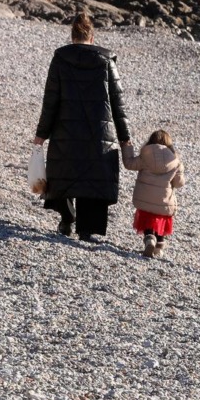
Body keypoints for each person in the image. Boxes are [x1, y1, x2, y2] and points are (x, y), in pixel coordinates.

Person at [33, 12, 132, 242]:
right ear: (92, 35)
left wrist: (41, 135)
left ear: (72, 35)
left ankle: (67, 220)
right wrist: (124, 137)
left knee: (65, 172)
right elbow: (118, 103)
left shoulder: (60, 58)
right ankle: (86, 230)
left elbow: (51, 101)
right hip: (99, 132)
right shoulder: (106, 61)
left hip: (65, 128)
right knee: (94, 177)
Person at [122, 129, 185, 258]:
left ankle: (149, 238)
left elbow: (129, 164)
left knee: (147, 218)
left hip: (145, 198)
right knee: (161, 219)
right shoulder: (175, 161)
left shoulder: (145, 156)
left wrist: (126, 146)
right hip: (164, 200)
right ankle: (159, 245)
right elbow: (179, 183)